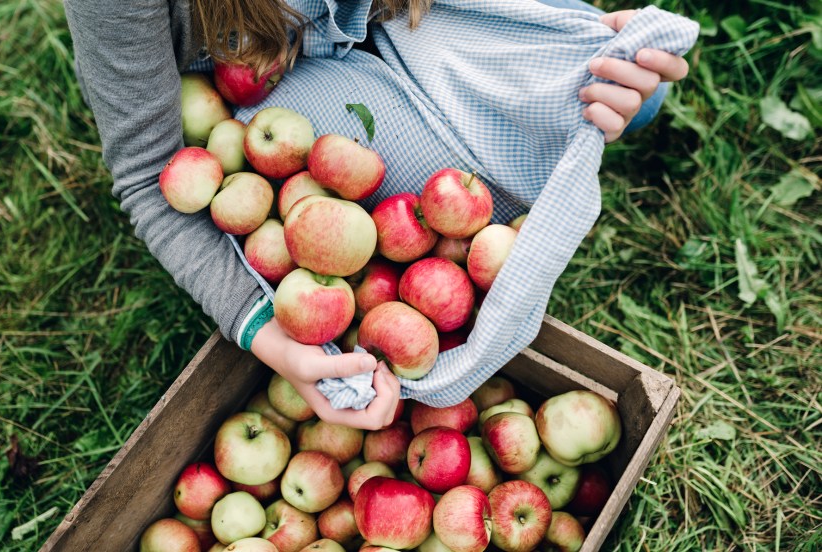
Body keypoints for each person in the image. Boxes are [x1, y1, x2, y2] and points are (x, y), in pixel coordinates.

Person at [63, 0, 689, 430]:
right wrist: (267, 332)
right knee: (418, 224)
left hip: (393, 10)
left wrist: (557, 39)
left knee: (628, 90)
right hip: (260, 89)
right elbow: (149, 176)